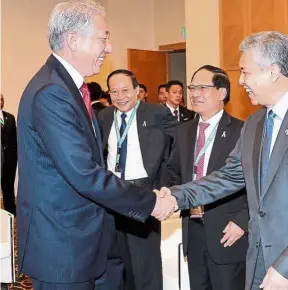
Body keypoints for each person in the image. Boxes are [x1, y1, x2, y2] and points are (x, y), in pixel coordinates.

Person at [158, 31, 288, 290]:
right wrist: (177, 196)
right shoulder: (255, 122)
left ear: (273, 72)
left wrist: (287, 266)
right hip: (259, 258)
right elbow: (230, 175)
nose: (240, 80)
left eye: (246, 71)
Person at [16, 1, 174, 289]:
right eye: (103, 38)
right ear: (74, 40)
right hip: (63, 249)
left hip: (89, 241)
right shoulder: (52, 92)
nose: (110, 48)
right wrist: (150, 202)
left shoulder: (69, 87)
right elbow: (84, 173)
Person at [165, 65, 248, 290]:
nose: (194, 93)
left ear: (221, 93)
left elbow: (255, 184)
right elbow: (173, 172)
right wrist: (168, 195)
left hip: (227, 231)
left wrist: (242, 221)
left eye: (202, 87)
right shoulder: (183, 131)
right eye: (192, 87)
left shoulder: (242, 131)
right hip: (193, 228)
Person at [98, 69, 178, 290]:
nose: (120, 96)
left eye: (125, 90)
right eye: (114, 91)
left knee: (145, 260)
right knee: (119, 256)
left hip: (144, 190)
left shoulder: (157, 113)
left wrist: (167, 185)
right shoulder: (104, 116)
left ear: (137, 91)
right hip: (113, 192)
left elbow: (177, 149)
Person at [0, 94, 17, 215]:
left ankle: (10, 211)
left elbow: (14, 139)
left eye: (2, 99)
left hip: (9, 160)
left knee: (8, 186)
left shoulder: (10, 118)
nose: (0, 101)